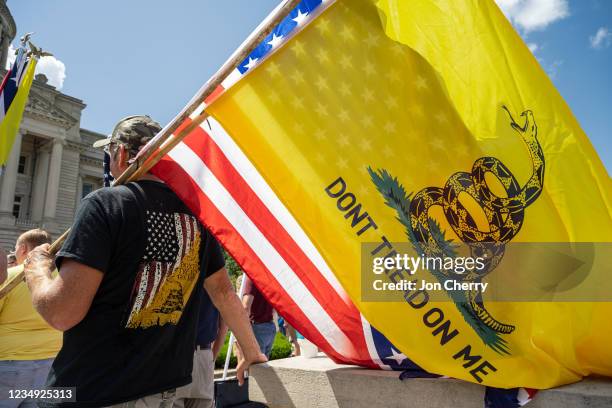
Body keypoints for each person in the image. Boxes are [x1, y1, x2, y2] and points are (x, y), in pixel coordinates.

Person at [22, 115, 266, 408]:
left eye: (110, 154)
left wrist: (36, 271)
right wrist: (252, 351)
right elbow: (224, 293)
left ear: (122, 154)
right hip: (166, 391)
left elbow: (61, 312)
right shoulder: (197, 218)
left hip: (96, 391)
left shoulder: (105, 204)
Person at [0, 229, 62, 408]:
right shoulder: (63, 279)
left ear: (24, 249)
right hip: (50, 362)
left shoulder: (12, 276)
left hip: (9, 363)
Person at [174, 287, 228, 408]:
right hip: (203, 354)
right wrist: (211, 358)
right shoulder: (216, 277)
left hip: (174, 354)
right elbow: (224, 326)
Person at [242, 276, 276, 359]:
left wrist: (242, 329)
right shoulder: (271, 279)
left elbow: (246, 306)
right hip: (269, 326)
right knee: (263, 367)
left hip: (256, 327)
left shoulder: (252, 278)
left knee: (254, 367)